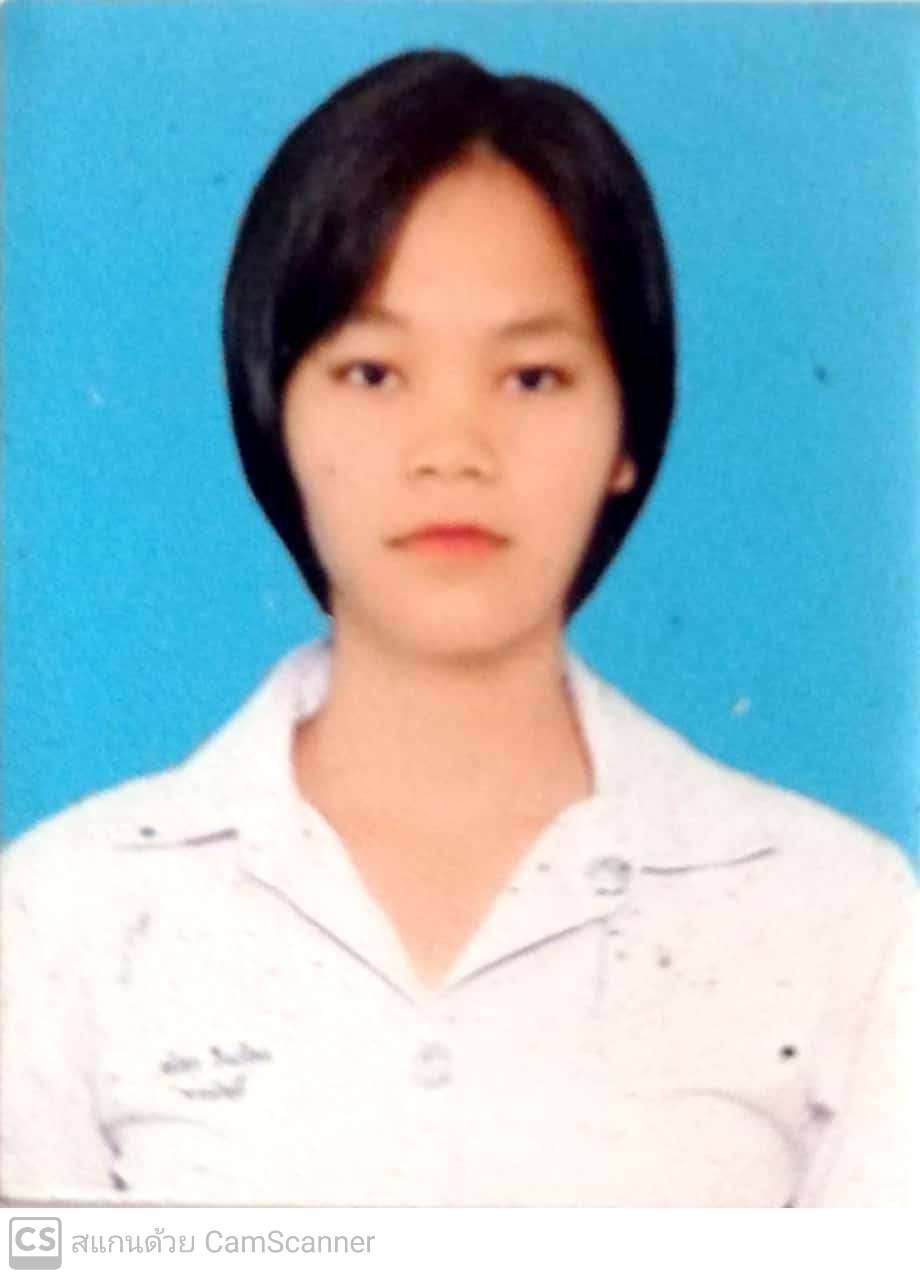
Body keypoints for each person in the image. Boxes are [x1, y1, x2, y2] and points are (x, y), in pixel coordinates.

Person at [1, 48, 915, 1208]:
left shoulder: (840, 917)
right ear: (274, 413)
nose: (452, 451)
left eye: (530, 378)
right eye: (372, 373)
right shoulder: (59, 918)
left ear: (627, 432)